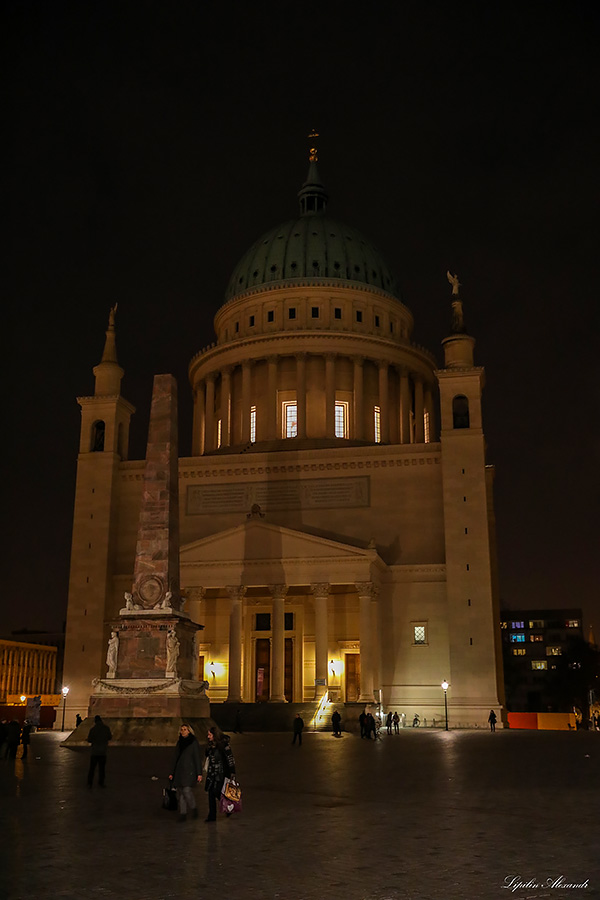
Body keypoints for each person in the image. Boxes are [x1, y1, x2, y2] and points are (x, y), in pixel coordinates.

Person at [169, 723, 203, 822]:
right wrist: (172, 772)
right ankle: (183, 813)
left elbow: (197, 758)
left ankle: (193, 807)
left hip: (189, 771)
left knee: (186, 791)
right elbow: (175, 757)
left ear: (189, 731)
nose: (183, 731)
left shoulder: (193, 742)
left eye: (185, 729)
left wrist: (199, 773)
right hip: (179, 771)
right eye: (182, 729)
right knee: (180, 793)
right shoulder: (179, 743)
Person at [204, 726, 235, 822]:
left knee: (217, 792)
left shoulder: (224, 745)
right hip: (212, 773)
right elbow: (208, 756)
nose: (208, 736)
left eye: (210, 734)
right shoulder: (210, 746)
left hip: (221, 773)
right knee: (210, 794)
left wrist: (232, 772)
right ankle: (212, 816)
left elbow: (230, 759)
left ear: (214, 735)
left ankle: (228, 805)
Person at [86, 715, 112, 787]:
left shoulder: (93, 729)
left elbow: (89, 739)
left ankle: (89, 783)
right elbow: (110, 737)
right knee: (102, 769)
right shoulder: (106, 728)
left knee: (92, 768)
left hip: (94, 751)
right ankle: (101, 782)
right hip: (103, 751)